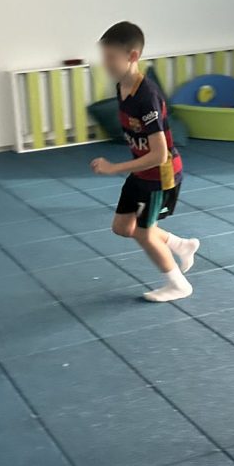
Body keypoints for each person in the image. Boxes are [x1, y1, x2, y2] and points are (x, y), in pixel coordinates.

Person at [90, 21, 199, 302]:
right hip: (142, 171)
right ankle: (180, 245)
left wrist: (114, 168)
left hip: (160, 175)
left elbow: (159, 154)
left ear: (133, 56)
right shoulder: (121, 87)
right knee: (122, 227)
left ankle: (178, 285)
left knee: (143, 233)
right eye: (104, 56)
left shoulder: (147, 96)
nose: (106, 63)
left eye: (111, 57)